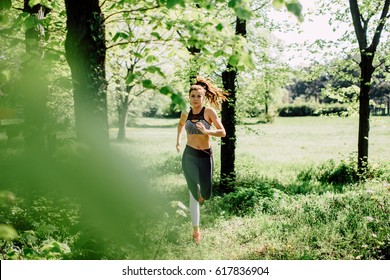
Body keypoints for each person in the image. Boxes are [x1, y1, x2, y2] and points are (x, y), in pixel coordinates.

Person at [176, 77, 228, 244]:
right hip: (189, 155)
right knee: (193, 193)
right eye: (193, 96)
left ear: (204, 97)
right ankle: (196, 231)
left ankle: (202, 195)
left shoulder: (209, 112)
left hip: (205, 156)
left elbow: (222, 132)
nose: (195, 99)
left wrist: (207, 131)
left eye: (199, 96)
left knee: (206, 193)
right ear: (189, 97)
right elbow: (180, 124)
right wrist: (178, 140)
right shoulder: (186, 112)